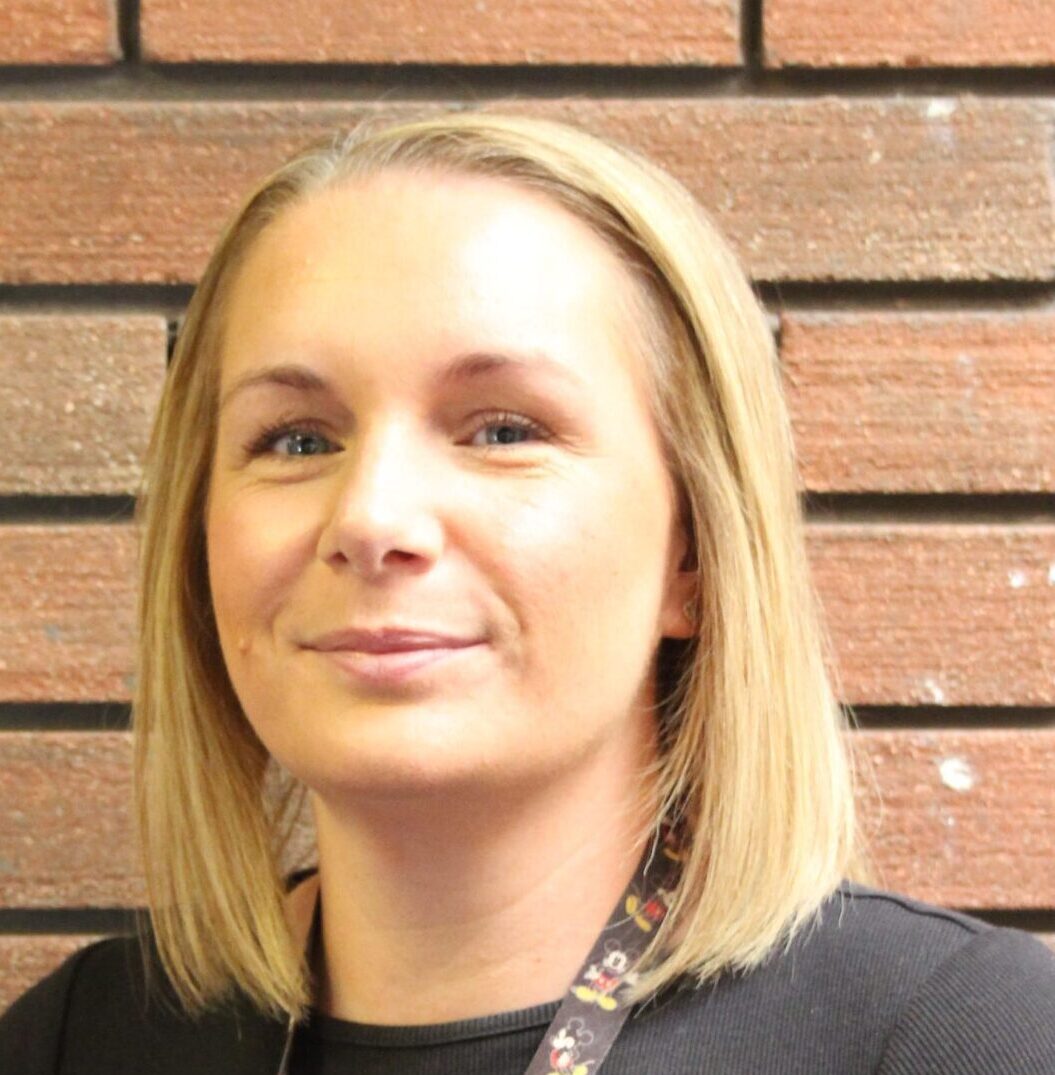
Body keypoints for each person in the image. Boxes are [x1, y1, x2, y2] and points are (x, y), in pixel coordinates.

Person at [1, 110, 1053, 1075]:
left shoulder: (952, 1038)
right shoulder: (76, 1040)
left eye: (502, 429)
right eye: (296, 439)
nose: (370, 518)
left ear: (692, 552)